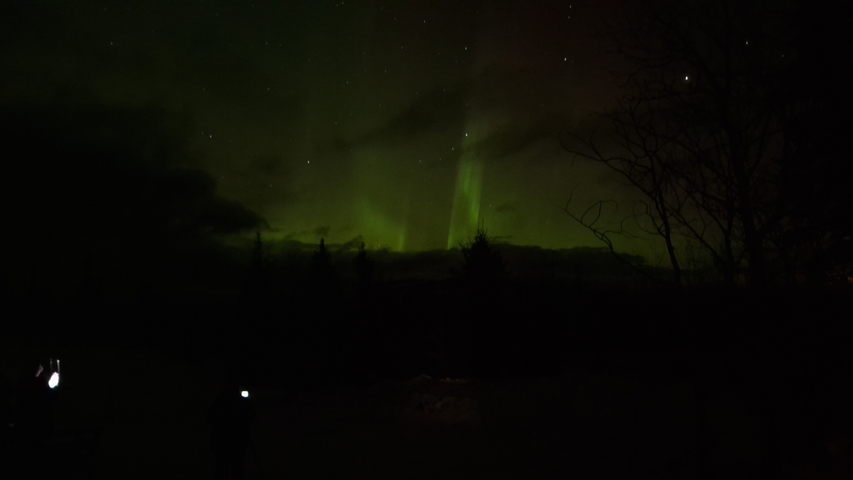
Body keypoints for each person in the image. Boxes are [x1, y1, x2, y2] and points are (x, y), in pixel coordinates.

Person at [207, 377, 257, 480]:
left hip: (226, 442)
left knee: (225, 469)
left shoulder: (220, 400)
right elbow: (252, 417)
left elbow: (209, 418)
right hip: (233, 442)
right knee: (233, 470)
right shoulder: (237, 401)